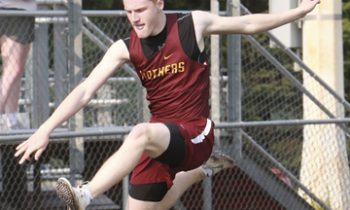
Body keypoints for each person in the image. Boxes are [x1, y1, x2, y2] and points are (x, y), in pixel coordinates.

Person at [14, 0, 320, 209]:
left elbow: (249, 23)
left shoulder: (192, 25)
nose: (134, 18)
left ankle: (85, 194)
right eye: (128, 11)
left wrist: (299, 11)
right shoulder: (124, 48)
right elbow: (84, 91)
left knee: (139, 134)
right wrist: (45, 129)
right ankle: (194, 173)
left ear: (159, 3)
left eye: (140, 9)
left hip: (195, 131)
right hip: (161, 140)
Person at [0, 0, 36, 130]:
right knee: (14, 68)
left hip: (23, 11)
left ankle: (11, 119)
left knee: (13, 70)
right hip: (13, 10)